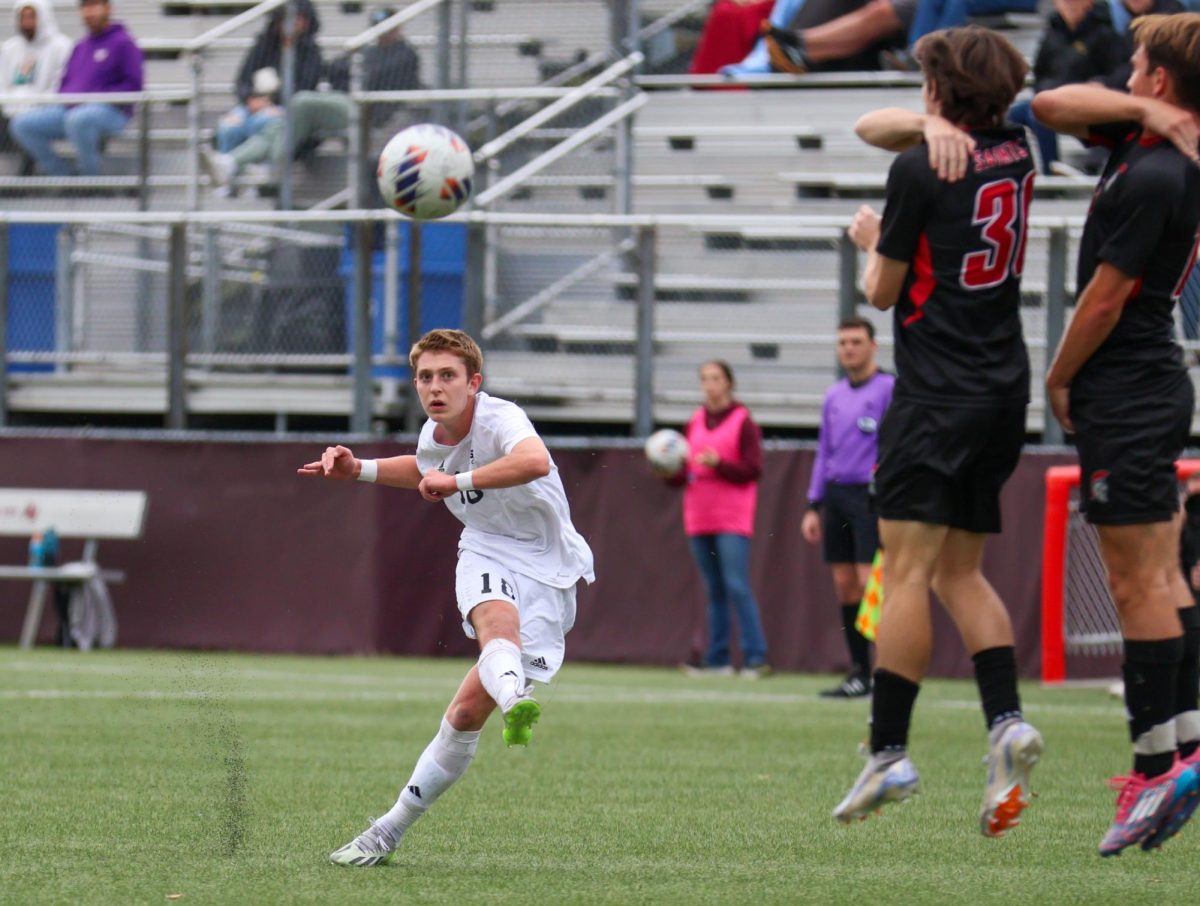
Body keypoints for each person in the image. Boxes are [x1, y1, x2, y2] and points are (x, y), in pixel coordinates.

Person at [830, 26, 1044, 836]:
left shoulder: (917, 170)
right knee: (964, 571)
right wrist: (932, 123)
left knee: (908, 570)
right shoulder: (1018, 150)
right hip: (1001, 390)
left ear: (939, 90)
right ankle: (1006, 722)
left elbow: (882, 293)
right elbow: (882, 126)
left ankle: (888, 751)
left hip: (934, 393)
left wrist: (868, 242)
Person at [298, 329, 595, 867]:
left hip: (549, 567)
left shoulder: (501, 418)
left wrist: (456, 483)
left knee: (462, 713)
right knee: (494, 626)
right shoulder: (435, 433)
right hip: (486, 548)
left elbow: (533, 462)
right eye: (426, 377)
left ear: (473, 383)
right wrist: (356, 470)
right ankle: (387, 830)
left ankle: (504, 700)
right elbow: (422, 466)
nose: (436, 387)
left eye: (448, 376)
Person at [1034, 12, 1200, 855]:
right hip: (1149, 382)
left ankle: (1155, 766)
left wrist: (1060, 375)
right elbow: (1049, 102)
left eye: (1137, 65)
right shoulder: (1148, 143)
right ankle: (1185, 750)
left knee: (1138, 581)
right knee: (1162, 573)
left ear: (1163, 79)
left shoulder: (1157, 175)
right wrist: (1145, 114)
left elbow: (1103, 301)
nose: (1126, 72)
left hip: (1127, 385)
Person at [202, 6, 423, 194]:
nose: (382, 32)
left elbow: (372, 79)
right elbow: (336, 68)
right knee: (279, 125)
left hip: (366, 109)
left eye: (387, 27)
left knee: (301, 102)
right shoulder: (368, 50)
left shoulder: (405, 54)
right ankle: (232, 163)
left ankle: (269, 165)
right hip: (343, 100)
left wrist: (353, 75)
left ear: (398, 27)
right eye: (378, 26)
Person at [802, 317, 895, 698]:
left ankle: (889, 670)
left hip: (871, 496)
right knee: (844, 586)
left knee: (870, 582)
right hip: (837, 495)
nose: (849, 349)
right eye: (843, 343)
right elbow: (825, 450)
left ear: (873, 346)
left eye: (856, 341)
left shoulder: (889, 388)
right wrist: (814, 503)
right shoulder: (834, 395)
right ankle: (860, 672)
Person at [664, 360, 771, 678]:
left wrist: (720, 463)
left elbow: (754, 469)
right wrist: (666, 470)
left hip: (731, 518)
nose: (709, 385)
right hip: (698, 516)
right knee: (714, 590)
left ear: (728, 383)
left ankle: (756, 656)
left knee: (737, 585)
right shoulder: (694, 421)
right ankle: (718, 658)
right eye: (704, 379)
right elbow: (683, 473)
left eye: (716, 378)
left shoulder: (743, 421)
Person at [8, 0, 142, 176]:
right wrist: (65, 98)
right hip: (71, 110)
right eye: (85, 7)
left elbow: (133, 85)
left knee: (79, 119)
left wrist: (94, 99)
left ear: (108, 8)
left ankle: (89, 181)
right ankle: (62, 175)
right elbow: (65, 83)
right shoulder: (80, 46)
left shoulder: (124, 43)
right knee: (22, 124)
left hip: (111, 112)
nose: (89, 12)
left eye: (94, 6)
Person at [1008, 0, 1126, 174]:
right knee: (1010, 116)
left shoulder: (1104, 33)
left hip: (1086, 103)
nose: (1070, 5)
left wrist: (1098, 84)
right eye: (1065, 1)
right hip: (1051, 96)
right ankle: (1014, 170)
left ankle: (1051, 173)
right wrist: (1045, 90)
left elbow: (1117, 72)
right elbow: (1041, 72)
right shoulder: (1053, 31)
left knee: (1039, 115)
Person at [210, 0, 322, 178]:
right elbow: (242, 80)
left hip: (284, 109)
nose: (293, 22)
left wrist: (272, 103)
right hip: (253, 104)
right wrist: (250, 100)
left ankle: (256, 174)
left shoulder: (311, 53)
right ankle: (227, 180)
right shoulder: (263, 46)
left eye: (299, 18)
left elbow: (305, 89)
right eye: (288, 17)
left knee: (263, 123)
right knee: (229, 126)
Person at [0, 0, 71, 156]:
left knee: (25, 125)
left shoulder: (61, 46)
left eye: (32, 17)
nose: (27, 23)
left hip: (44, 110)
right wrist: (11, 105)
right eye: (23, 17)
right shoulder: (10, 48)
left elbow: (60, 85)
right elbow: (3, 84)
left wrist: (31, 105)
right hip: (10, 111)